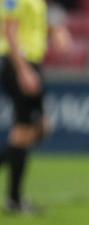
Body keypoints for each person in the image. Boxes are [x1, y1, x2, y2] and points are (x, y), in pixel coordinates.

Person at [0, 0, 70, 214]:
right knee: (23, 130)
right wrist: (23, 70)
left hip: (32, 62)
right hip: (18, 63)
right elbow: (9, 29)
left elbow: (34, 25)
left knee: (39, 128)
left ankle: (14, 199)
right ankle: (14, 200)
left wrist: (55, 30)